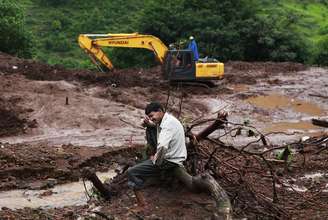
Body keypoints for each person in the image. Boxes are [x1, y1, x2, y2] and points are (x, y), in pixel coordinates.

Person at [127, 102, 187, 208]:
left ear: (159, 111)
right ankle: (145, 181)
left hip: (170, 160)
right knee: (150, 129)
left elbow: (163, 146)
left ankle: (142, 203)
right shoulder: (167, 120)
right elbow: (149, 125)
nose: (151, 118)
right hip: (175, 157)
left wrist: (156, 160)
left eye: (152, 116)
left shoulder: (167, 125)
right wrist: (147, 123)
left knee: (131, 172)